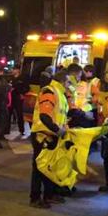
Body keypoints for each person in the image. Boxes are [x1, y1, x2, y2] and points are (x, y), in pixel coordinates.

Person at [29, 68, 70, 207]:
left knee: (50, 166)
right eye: (68, 82)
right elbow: (44, 116)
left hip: (51, 135)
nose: (69, 85)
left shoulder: (60, 94)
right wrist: (58, 130)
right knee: (39, 168)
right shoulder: (50, 91)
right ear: (63, 81)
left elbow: (59, 115)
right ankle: (35, 198)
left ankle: (49, 195)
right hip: (43, 135)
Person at [7, 65, 27, 136]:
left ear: (18, 70)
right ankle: (6, 130)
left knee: (19, 115)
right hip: (11, 99)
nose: (13, 71)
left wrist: (22, 93)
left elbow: (27, 88)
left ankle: (22, 130)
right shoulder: (10, 78)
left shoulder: (22, 78)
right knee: (8, 115)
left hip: (18, 99)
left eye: (14, 69)